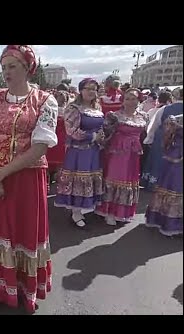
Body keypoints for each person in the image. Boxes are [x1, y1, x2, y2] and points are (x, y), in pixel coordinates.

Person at [0, 45, 57, 313]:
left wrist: (1, 174)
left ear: (27, 68)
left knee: (23, 231)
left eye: (12, 66)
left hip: (27, 178)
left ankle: (20, 285)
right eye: (3, 66)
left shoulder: (45, 100)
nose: (6, 72)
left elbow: (40, 147)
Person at [54, 78, 105, 228]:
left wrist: (102, 137)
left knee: (89, 179)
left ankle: (85, 208)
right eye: (88, 88)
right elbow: (71, 131)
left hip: (94, 151)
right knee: (78, 179)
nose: (91, 92)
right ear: (81, 90)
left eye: (94, 89)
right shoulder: (73, 108)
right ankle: (76, 212)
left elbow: (101, 127)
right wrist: (93, 136)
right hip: (78, 151)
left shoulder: (97, 108)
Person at [95, 88, 148, 225]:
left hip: (134, 153)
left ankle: (123, 212)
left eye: (134, 99)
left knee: (130, 180)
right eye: (128, 98)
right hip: (117, 152)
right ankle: (109, 211)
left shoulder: (143, 116)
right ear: (123, 101)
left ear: (139, 100)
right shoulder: (114, 116)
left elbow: (144, 135)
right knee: (114, 178)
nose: (131, 101)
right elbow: (104, 134)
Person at [145, 114, 183, 237]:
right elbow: (166, 134)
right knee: (174, 187)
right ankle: (168, 222)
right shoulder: (177, 118)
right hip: (176, 160)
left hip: (176, 159)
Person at [141, 88, 182, 190]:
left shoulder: (165, 109)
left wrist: (148, 140)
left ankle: (155, 184)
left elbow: (154, 126)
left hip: (163, 141)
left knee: (159, 162)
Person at [46, 89, 69, 191]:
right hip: (52, 137)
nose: (62, 96)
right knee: (49, 161)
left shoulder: (69, 110)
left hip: (63, 139)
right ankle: (47, 182)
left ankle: (59, 187)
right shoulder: (51, 108)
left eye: (64, 95)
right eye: (60, 94)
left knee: (60, 163)